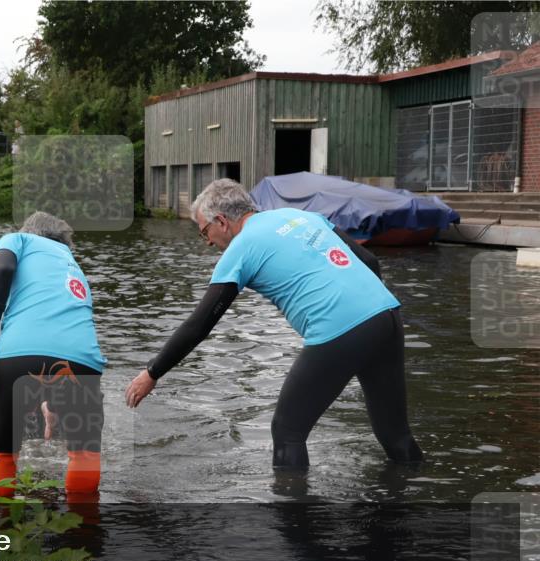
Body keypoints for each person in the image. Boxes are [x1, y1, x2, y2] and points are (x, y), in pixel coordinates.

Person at [124, 179, 424, 468]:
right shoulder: (299, 216)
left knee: (287, 433)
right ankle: (416, 503)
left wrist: (152, 373)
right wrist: (365, 316)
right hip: (386, 315)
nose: (207, 243)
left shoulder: (242, 248)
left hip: (339, 328)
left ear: (221, 221)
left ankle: (292, 518)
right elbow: (370, 262)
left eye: (204, 233)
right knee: (395, 434)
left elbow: (200, 324)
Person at [0, 211, 106, 498]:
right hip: (83, 357)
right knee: (84, 454)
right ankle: (82, 532)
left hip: (20, 352)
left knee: (2, 452)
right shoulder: (72, 264)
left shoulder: (20, 239)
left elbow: (2, 269)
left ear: (29, 231)